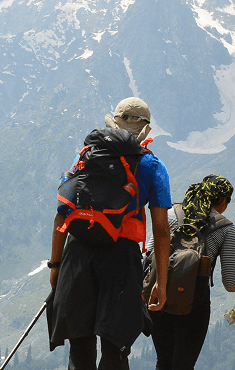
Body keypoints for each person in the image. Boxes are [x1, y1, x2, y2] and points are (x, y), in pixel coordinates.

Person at [48, 97, 172, 370]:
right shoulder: (152, 165)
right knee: (115, 349)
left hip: (78, 253)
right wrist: (160, 284)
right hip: (122, 256)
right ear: (145, 130)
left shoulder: (86, 155)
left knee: (79, 350)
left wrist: (55, 265)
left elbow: (62, 211)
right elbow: (162, 231)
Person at [147, 174, 235, 370]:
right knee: (184, 364)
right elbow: (230, 283)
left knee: (163, 361)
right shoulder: (226, 228)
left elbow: (150, 252)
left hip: (160, 290)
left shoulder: (172, 213)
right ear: (222, 200)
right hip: (195, 300)